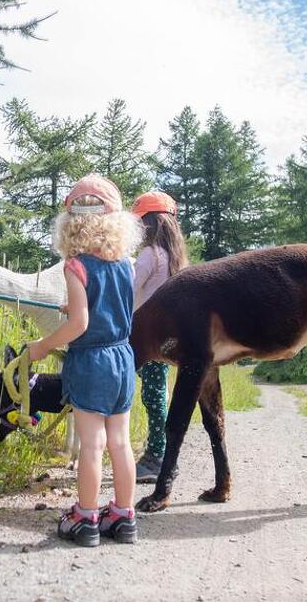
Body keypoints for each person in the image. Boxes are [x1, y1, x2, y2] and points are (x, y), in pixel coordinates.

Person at [28, 174, 143, 547]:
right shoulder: (127, 264)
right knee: (120, 442)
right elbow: (114, 306)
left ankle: (86, 517)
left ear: (70, 223)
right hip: (123, 357)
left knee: (92, 444)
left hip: (91, 362)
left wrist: (42, 346)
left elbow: (79, 324)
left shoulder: (75, 266)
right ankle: (124, 517)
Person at [130, 191, 189, 483]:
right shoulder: (175, 257)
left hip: (147, 338)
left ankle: (157, 457)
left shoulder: (149, 255)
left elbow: (128, 292)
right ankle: (160, 452)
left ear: (149, 224)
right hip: (170, 337)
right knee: (158, 394)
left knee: (152, 396)